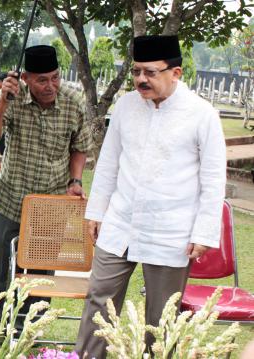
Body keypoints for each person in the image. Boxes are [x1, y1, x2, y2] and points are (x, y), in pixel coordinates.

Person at [75, 35, 226, 358]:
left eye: (151, 72)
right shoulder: (126, 106)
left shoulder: (202, 114)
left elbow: (214, 180)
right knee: (99, 298)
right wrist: (96, 211)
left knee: (161, 316)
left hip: (171, 229)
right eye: (136, 71)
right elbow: (109, 163)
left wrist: (203, 232)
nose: (141, 79)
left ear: (176, 73)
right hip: (120, 221)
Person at [0, 45, 92, 326]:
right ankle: (0, 329)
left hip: (51, 203)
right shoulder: (12, 98)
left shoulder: (73, 100)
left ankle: (30, 330)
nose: (50, 86)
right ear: (26, 78)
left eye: (55, 77)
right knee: (4, 274)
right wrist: (3, 101)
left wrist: (75, 179)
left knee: (41, 277)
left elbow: (80, 146)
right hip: (11, 201)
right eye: (42, 80)